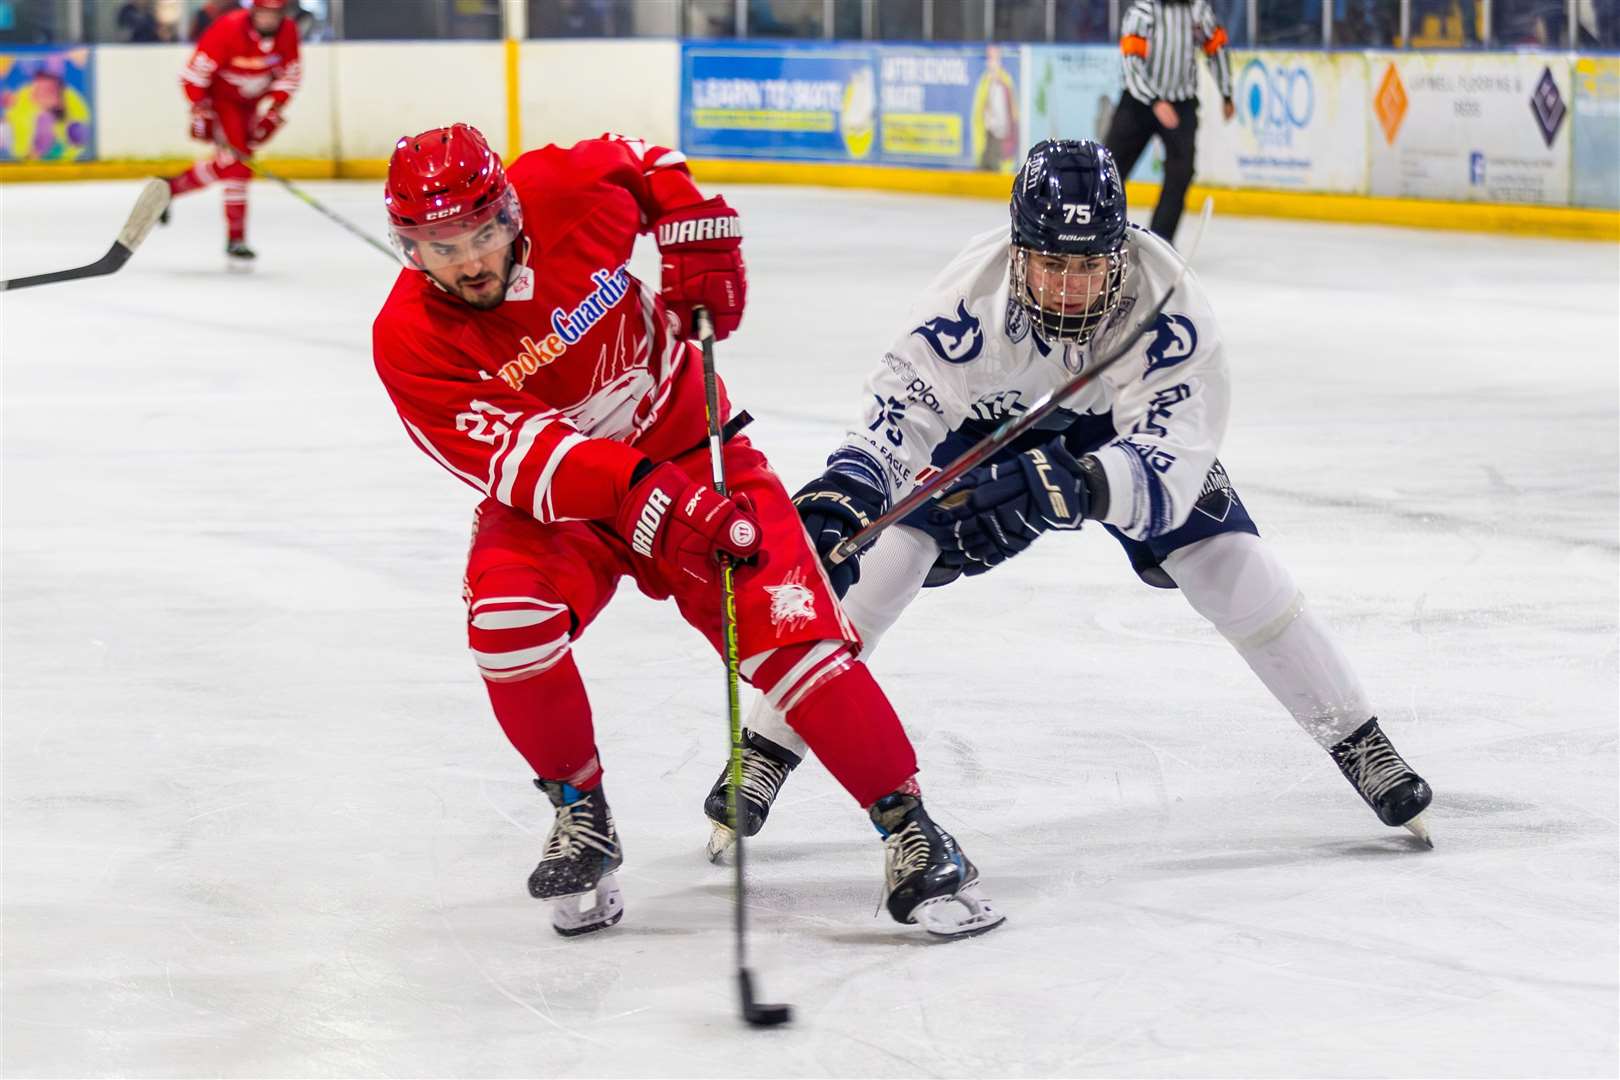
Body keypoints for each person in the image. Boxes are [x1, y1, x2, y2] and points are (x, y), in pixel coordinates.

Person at [703, 139, 1435, 859]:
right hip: (983, 422)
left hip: (1115, 428)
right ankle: (767, 746)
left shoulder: (1170, 307)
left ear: (1120, 253)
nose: (1067, 286)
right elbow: (901, 416)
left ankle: (1358, 738)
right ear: (1019, 251)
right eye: (1052, 262)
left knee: (1226, 559)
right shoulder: (967, 299)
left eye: (1088, 266)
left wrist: (1079, 485)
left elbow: (1179, 453)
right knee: (884, 565)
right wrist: (847, 494)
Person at [368, 124, 1005, 940]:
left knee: (793, 635)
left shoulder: (564, 189)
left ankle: (911, 828)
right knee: (506, 626)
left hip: (693, 447)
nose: (468, 262)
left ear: (510, 209)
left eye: (483, 232)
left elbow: (644, 162)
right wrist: (665, 501)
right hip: (563, 507)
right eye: (438, 245)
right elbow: (537, 464)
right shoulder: (410, 342)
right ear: (408, 246)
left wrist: (693, 232)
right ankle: (579, 811)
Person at [158, 0, 301, 264]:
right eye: (263, 14)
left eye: (275, 14)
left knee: (233, 164)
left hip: (252, 103)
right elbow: (193, 75)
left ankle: (170, 188)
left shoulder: (288, 31)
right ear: (253, 12)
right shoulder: (228, 29)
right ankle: (236, 239)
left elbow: (290, 73)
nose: (269, 20)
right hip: (222, 102)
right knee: (238, 166)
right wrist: (201, 107)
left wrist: (276, 107)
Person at [1104, 0, 1234, 246]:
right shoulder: (1143, 11)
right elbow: (1130, 61)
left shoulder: (1198, 11)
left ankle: (1159, 242)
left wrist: (1226, 92)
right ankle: (1097, 232)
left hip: (1181, 103)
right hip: (1139, 101)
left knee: (1181, 172)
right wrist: (1154, 100)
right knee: (1109, 171)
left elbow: (1216, 49)